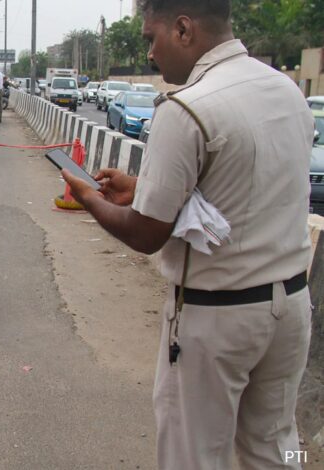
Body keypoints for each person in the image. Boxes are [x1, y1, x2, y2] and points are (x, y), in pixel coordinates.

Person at [62, 1, 313, 469]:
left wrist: (89, 199)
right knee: (278, 445)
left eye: (150, 38)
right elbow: (242, 189)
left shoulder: (185, 108)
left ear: (182, 29)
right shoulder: (286, 91)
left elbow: (145, 233)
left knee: (193, 454)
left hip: (217, 318)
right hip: (291, 308)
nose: (151, 53)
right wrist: (143, 188)